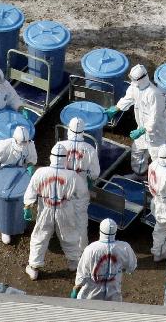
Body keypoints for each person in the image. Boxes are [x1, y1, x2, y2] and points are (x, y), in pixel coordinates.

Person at [24, 144, 86, 281]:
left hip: (45, 209)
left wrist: (27, 206)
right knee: (69, 235)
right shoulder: (72, 176)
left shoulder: (40, 172)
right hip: (65, 209)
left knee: (40, 236)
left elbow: (31, 190)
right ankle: (73, 262)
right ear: (65, 158)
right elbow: (82, 193)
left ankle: (34, 268)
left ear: (51, 157)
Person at [105, 64, 166, 180]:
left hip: (156, 133)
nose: (132, 81)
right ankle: (140, 174)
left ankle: (160, 182)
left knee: (159, 158)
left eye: (133, 79)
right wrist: (116, 108)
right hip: (142, 129)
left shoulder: (154, 94)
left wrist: (142, 130)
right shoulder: (135, 87)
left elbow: (155, 118)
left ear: (141, 79)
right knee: (137, 151)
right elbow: (128, 99)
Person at [0, 125, 37, 243]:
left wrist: (30, 165)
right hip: (2, 175)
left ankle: (18, 223)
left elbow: (31, 158)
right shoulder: (4, 146)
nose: (24, 145)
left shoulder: (29, 145)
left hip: (20, 175)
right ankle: (4, 227)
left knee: (21, 201)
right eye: (21, 143)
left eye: (26, 142)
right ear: (15, 140)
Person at [58, 117, 101, 251]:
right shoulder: (90, 149)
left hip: (62, 186)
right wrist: (89, 179)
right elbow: (95, 173)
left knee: (62, 215)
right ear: (83, 131)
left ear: (68, 130)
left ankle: (66, 245)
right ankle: (82, 249)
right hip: (80, 187)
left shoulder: (60, 146)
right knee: (81, 220)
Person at [70, 218, 137, 301]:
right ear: (115, 231)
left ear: (100, 230)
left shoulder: (91, 249)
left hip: (91, 294)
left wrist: (75, 290)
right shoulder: (124, 247)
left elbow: (82, 275)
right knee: (112, 309)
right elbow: (132, 267)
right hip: (114, 295)